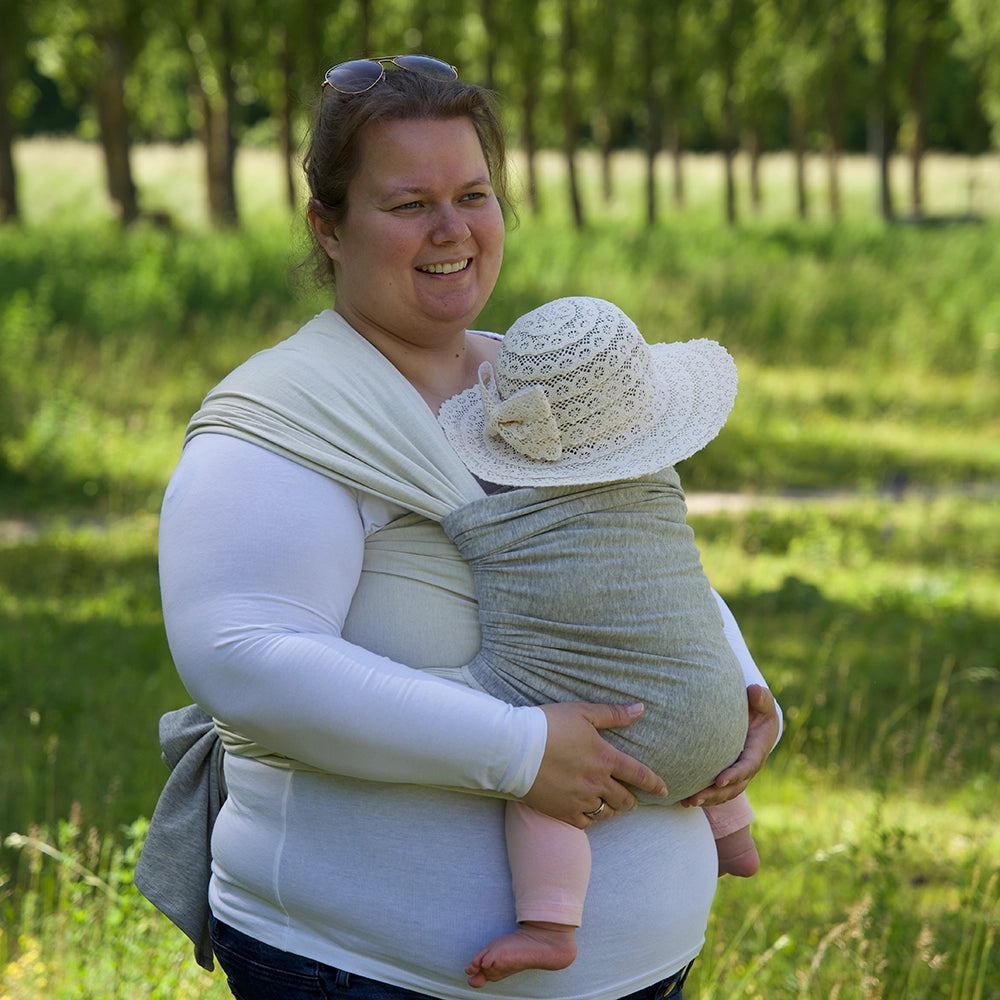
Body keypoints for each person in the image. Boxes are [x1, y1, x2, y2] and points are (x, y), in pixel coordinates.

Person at [143, 54, 781, 1000]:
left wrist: (736, 689)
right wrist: (521, 752)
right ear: (329, 224)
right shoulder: (285, 417)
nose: (453, 231)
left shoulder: (536, 382)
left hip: (651, 973)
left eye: (473, 195)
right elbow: (244, 655)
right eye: (408, 205)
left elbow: (640, 564)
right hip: (365, 974)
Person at [435, 295, 759, 986]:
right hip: (726, 715)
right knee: (676, 679)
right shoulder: (657, 487)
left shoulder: (500, 504)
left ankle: (549, 926)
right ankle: (735, 836)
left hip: (634, 741)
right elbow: (688, 598)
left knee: (541, 787)